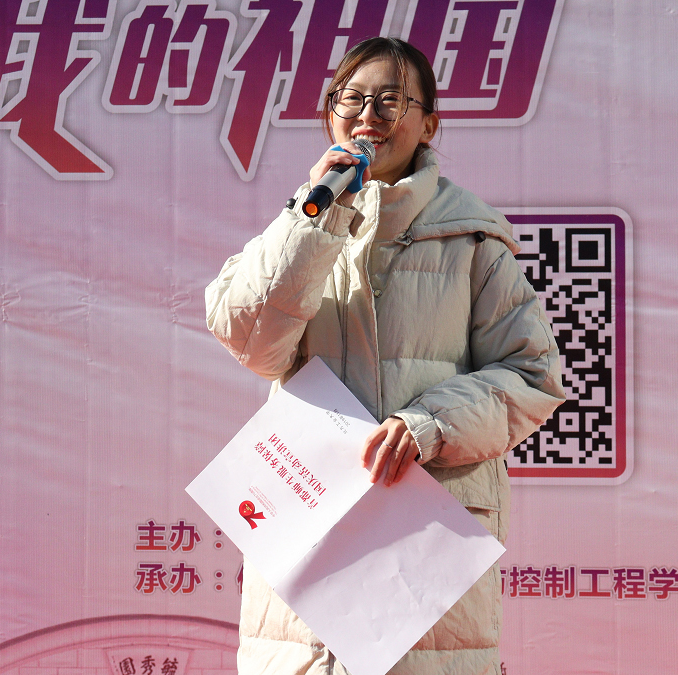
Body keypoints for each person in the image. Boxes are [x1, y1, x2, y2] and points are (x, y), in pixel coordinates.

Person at [204, 37, 565, 674]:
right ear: (330, 116)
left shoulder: (474, 240)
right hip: (308, 529)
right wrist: (315, 218)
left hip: (422, 542)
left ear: (429, 124)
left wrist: (428, 425)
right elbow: (253, 344)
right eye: (352, 99)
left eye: (392, 101)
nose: (368, 115)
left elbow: (532, 373)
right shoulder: (304, 221)